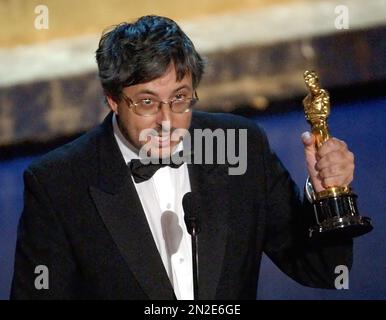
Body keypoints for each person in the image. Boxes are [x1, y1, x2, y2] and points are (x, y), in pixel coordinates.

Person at [11, 15, 354, 300]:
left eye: (179, 98)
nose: (166, 121)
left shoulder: (239, 147)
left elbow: (323, 269)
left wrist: (329, 196)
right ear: (113, 99)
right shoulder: (59, 183)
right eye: (146, 102)